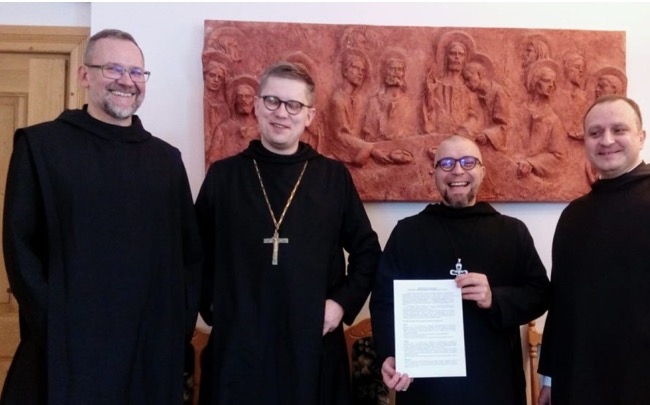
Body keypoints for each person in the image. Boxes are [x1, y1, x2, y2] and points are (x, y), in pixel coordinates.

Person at [1, 29, 202, 404]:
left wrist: (177, 325)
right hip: (69, 347)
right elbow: (20, 246)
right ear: (84, 75)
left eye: (136, 72)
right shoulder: (41, 147)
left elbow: (189, 255)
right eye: (113, 69)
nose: (127, 81)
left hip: (148, 349)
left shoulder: (166, 161)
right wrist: (54, 322)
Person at [195, 61, 381, 404]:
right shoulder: (224, 177)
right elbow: (194, 252)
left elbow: (367, 251)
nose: (281, 113)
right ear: (256, 105)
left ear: (309, 115)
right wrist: (214, 304)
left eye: (294, 105)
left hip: (311, 343)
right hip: (240, 347)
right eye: (272, 101)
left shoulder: (332, 178)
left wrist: (340, 304)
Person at [538, 95, 650, 405]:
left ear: (641, 137)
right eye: (595, 132)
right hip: (578, 381)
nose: (606, 140)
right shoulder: (574, 215)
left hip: (649, 383)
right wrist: (551, 377)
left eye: (619, 129)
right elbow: (562, 307)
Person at [370, 135, 550, 404]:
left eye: (468, 162)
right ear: (433, 173)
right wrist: (389, 353)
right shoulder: (407, 233)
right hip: (427, 388)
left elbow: (540, 294)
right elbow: (384, 302)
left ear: (482, 171)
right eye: (446, 163)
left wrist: (495, 298)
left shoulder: (512, 232)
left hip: (494, 382)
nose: (457, 171)